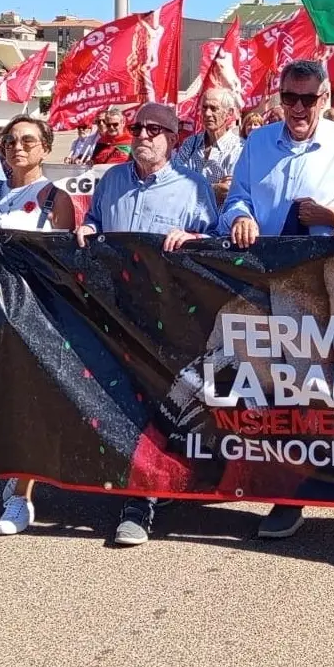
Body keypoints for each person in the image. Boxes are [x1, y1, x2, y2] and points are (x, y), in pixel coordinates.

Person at [219, 59, 334, 539]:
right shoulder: (259, 143)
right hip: (267, 281)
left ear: (325, 98)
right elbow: (235, 200)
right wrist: (240, 216)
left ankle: (323, 480)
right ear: (279, 97)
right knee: (273, 387)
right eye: (290, 97)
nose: (299, 108)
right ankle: (286, 494)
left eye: (309, 98)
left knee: (317, 386)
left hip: (324, 282)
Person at [73, 102, 218, 545]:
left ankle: (140, 502)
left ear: (172, 139)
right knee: (124, 404)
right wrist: (87, 228)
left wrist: (196, 240)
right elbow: (96, 220)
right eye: (138, 127)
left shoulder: (194, 188)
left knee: (156, 407)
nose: (143, 135)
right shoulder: (112, 179)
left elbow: (217, 245)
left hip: (166, 322)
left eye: (155, 130)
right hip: (115, 315)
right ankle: (143, 486)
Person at [0, 115, 76, 535]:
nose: (18, 148)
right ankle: (10, 471)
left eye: (28, 140)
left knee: (27, 400)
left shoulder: (53, 198)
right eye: (10, 142)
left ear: (45, 147)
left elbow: (63, 263)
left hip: (34, 315)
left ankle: (23, 496)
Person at [174, 87, 243, 207]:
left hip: (218, 222)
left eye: (214, 108)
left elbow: (229, 191)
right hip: (187, 220)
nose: (207, 113)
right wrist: (213, 188)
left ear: (229, 113)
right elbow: (174, 181)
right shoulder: (190, 144)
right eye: (204, 107)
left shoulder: (238, 148)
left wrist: (189, 184)